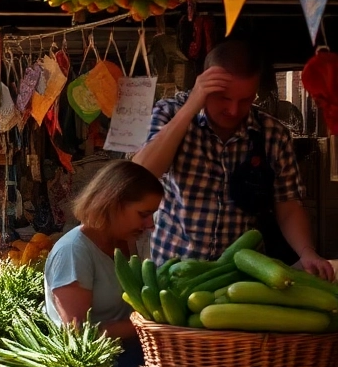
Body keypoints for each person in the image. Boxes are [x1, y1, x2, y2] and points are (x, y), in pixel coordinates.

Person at [131, 40, 333, 278]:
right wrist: (190, 107)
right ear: (203, 84)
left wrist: (307, 252)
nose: (234, 110)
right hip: (174, 269)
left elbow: (287, 204)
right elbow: (141, 174)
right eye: (223, 98)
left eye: (245, 100)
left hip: (241, 275)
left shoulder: (272, 134)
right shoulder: (170, 113)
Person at [45, 160, 164, 367]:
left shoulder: (133, 242)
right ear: (112, 204)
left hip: (132, 356)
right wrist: (145, 324)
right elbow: (77, 333)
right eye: (143, 214)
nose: (150, 224)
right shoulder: (73, 252)